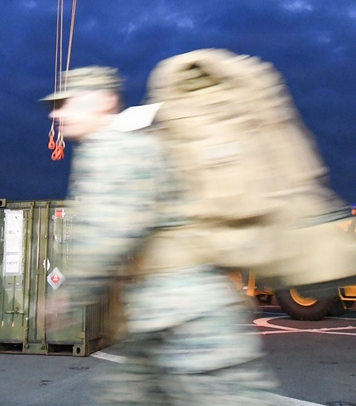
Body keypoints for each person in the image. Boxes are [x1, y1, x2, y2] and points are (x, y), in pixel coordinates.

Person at [43, 65, 311, 405]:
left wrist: (69, 294)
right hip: (161, 313)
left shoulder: (114, 147)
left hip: (187, 315)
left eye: (68, 102)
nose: (57, 112)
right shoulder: (138, 139)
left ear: (103, 101)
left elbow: (108, 233)